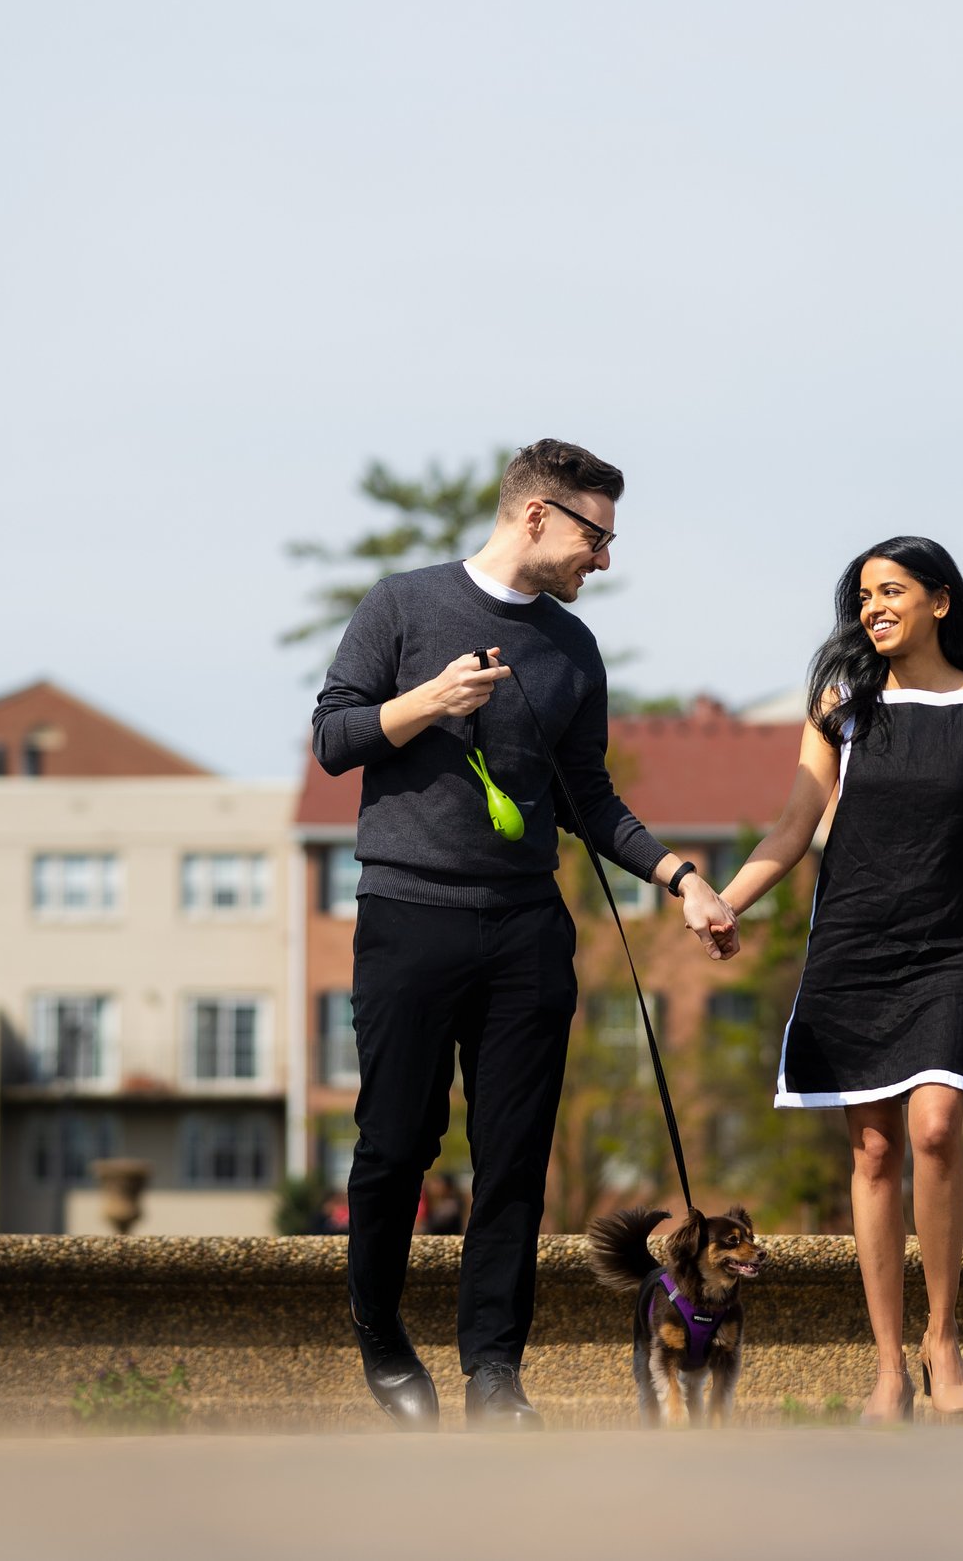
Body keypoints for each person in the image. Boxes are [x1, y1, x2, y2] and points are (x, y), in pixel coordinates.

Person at [310, 438, 741, 1431]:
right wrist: (426, 702)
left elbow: (588, 797)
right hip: (408, 914)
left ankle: (493, 1374)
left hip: (524, 931)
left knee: (512, 1160)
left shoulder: (570, 650)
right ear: (537, 514)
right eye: (596, 535)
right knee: (394, 1143)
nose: (605, 558)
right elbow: (334, 737)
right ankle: (378, 1331)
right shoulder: (402, 605)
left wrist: (680, 878)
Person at [715, 535, 963, 1424]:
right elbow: (794, 824)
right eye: (863, 595)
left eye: (891, 589)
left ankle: (943, 1338)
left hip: (954, 946)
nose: (872, 606)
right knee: (873, 1150)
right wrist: (729, 901)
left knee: (937, 1126)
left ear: (940, 601)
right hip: (856, 947)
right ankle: (888, 1368)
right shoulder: (841, 706)